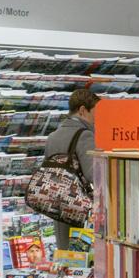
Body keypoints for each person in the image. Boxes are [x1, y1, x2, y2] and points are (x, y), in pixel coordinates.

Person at [43, 87, 98, 250]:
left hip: (58, 207)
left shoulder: (52, 137)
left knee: (66, 256)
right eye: (94, 113)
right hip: (80, 209)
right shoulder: (85, 135)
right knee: (83, 257)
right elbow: (94, 174)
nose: (96, 119)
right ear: (82, 110)